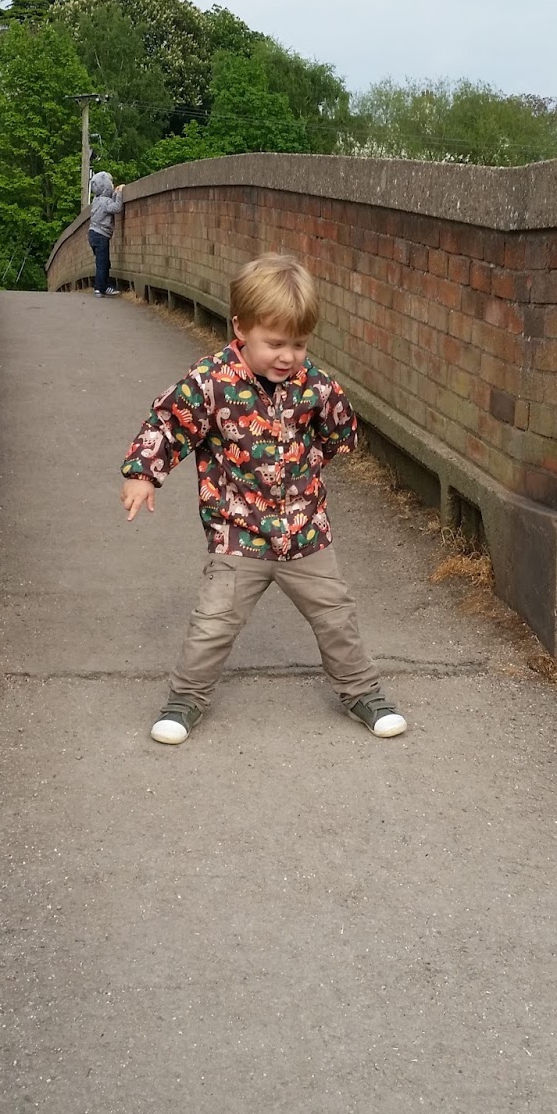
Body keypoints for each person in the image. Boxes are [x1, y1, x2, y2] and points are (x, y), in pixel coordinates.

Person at [119, 253, 408, 746]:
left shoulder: (314, 384)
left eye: (298, 343)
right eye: (274, 343)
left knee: (336, 616)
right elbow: (167, 425)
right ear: (241, 328)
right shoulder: (210, 382)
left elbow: (340, 430)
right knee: (213, 623)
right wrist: (143, 473)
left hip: (305, 533)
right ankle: (185, 699)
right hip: (239, 533)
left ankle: (363, 693)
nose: (288, 356)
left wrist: (310, 465)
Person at [87, 171, 123, 297]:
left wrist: (114, 194)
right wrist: (119, 193)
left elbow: (109, 203)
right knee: (102, 263)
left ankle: (105, 286)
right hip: (101, 235)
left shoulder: (96, 200)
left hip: (92, 234)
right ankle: (100, 288)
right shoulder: (105, 202)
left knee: (103, 262)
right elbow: (117, 208)